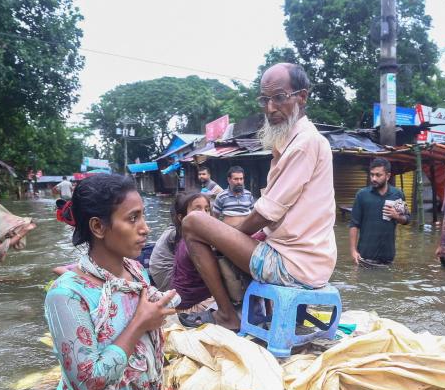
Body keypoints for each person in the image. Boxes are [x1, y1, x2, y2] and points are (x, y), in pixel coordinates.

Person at [18, 174, 178, 390]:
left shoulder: (135, 270)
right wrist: (140, 324)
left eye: (143, 217)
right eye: (133, 219)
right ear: (98, 227)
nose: (146, 228)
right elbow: (88, 383)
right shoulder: (66, 296)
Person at [179, 62, 336, 331]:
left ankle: (228, 315)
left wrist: (233, 235)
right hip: (305, 262)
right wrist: (232, 235)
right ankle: (246, 310)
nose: (270, 108)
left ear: (302, 96)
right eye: (265, 99)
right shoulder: (292, 144)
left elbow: (266, 213)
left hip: (292, 266)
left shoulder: (304, 143)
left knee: (194, 222)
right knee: (225, 231)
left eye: (279, 97)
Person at [349, 158, 410, 266]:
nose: (373, 178)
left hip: (388, 258)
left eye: (378, 175)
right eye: (372, 175)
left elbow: (407, 219)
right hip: (364, 257)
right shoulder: (362, 195)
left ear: (388, 176)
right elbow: (354, 224)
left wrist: (397, 216)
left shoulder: (397, 194)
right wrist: (353, 251)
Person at [170, 192, 216, 313]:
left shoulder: (186, 239)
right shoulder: (193, 244)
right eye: (197, 209)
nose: (204, 214)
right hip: (191, 308)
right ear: (181, 218)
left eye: (207, 209)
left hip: (183, 303)